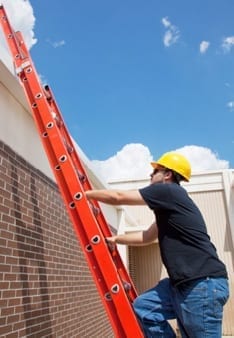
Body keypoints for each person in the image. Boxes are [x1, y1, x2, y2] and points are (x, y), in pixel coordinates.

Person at [85, 151, 229, 338]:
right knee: (144, 308)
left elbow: (118, 196)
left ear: (167, 175)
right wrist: (116, 239)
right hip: (182, 284)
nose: (151, 175)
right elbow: (147, 236)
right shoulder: (169, 208)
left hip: (201, 283)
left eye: (155, 171)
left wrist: (82, 193)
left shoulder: (168, 191)